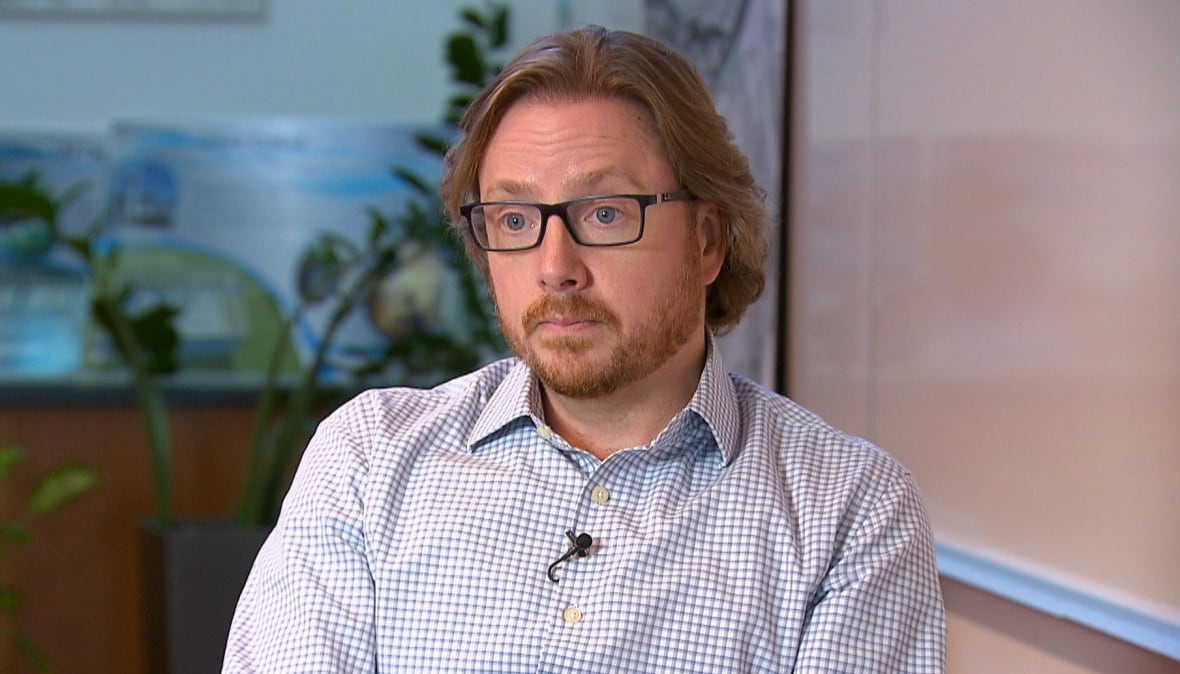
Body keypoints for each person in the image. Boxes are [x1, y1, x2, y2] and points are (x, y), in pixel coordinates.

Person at [223, 25, 946, 673]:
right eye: (512, 218)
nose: (554, 264)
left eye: (604, 212)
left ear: (707, 240)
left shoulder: (849, 512)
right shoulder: (370, 458)